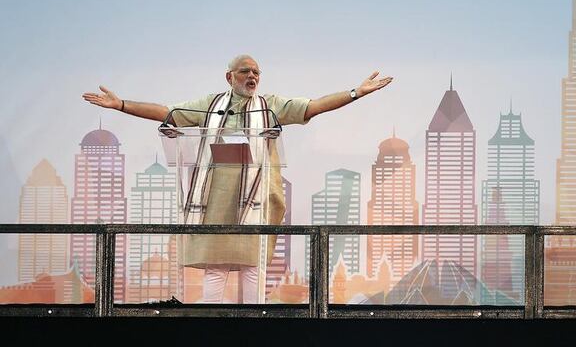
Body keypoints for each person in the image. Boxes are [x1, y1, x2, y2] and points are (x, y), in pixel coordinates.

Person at [82, 54, 392, 303]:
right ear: (230, 77)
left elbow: (312, 106)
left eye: (257, 72)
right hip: (217, 199)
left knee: (252, 267)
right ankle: (211, 328)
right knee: (216, 268)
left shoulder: (269, 106)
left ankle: (253, 326)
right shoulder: (211, 106)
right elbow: (169, 113)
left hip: (256, 201)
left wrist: (355, 93)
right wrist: (121, 105)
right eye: (245, 71)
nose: (252, 77)